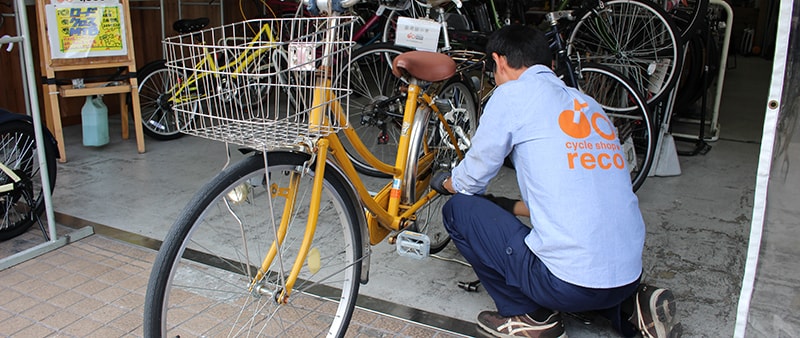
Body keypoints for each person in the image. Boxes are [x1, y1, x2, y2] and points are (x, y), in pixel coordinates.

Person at [430, 24, 681, 337]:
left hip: (567, 284)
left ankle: (529, 317)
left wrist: (446, 183)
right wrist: (502, 206)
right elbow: (570, 198)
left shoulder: (512, 95)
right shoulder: (587, 104)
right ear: (548, 63)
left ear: (500, 60)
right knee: (583, 272)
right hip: (627, 274)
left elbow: (472, 179)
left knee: (460, 211)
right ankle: (633, 306)